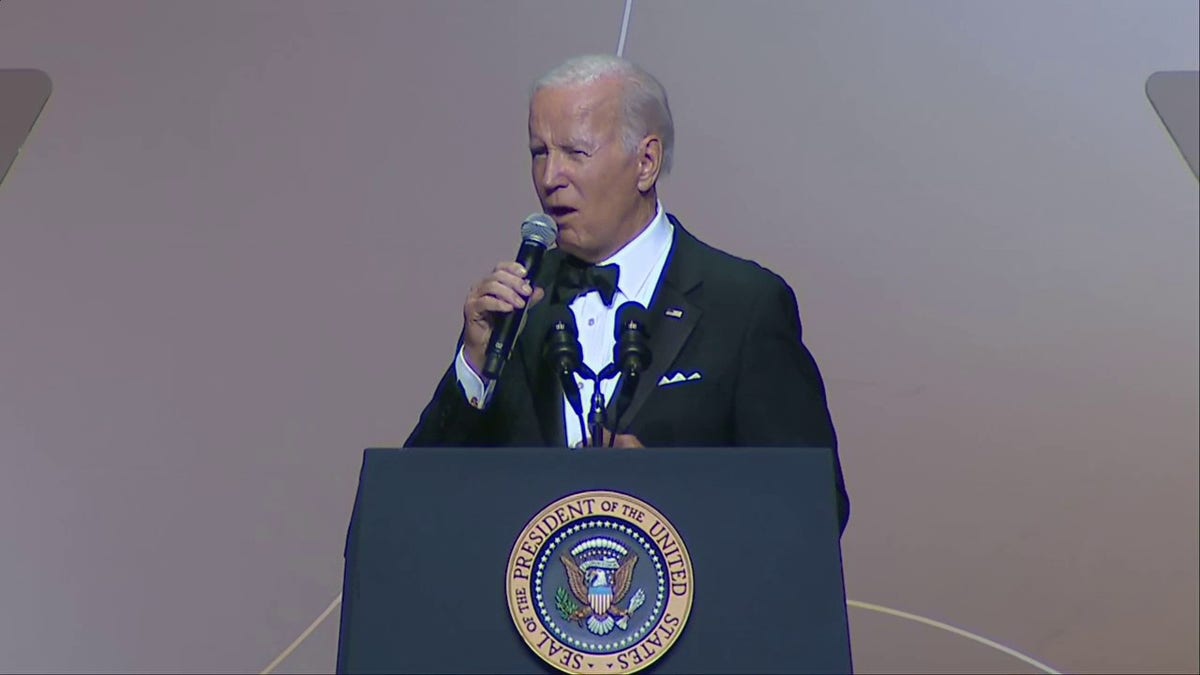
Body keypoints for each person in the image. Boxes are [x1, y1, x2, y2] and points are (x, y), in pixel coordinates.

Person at [404, 54, 849, 533]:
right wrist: (473, 368)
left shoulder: (744, 305)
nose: (550, 176)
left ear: (646, 162)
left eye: (575, 153)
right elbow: (414, 504)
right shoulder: (517, 309)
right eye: (539, 152)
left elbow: (814, 507)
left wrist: (669, 493)